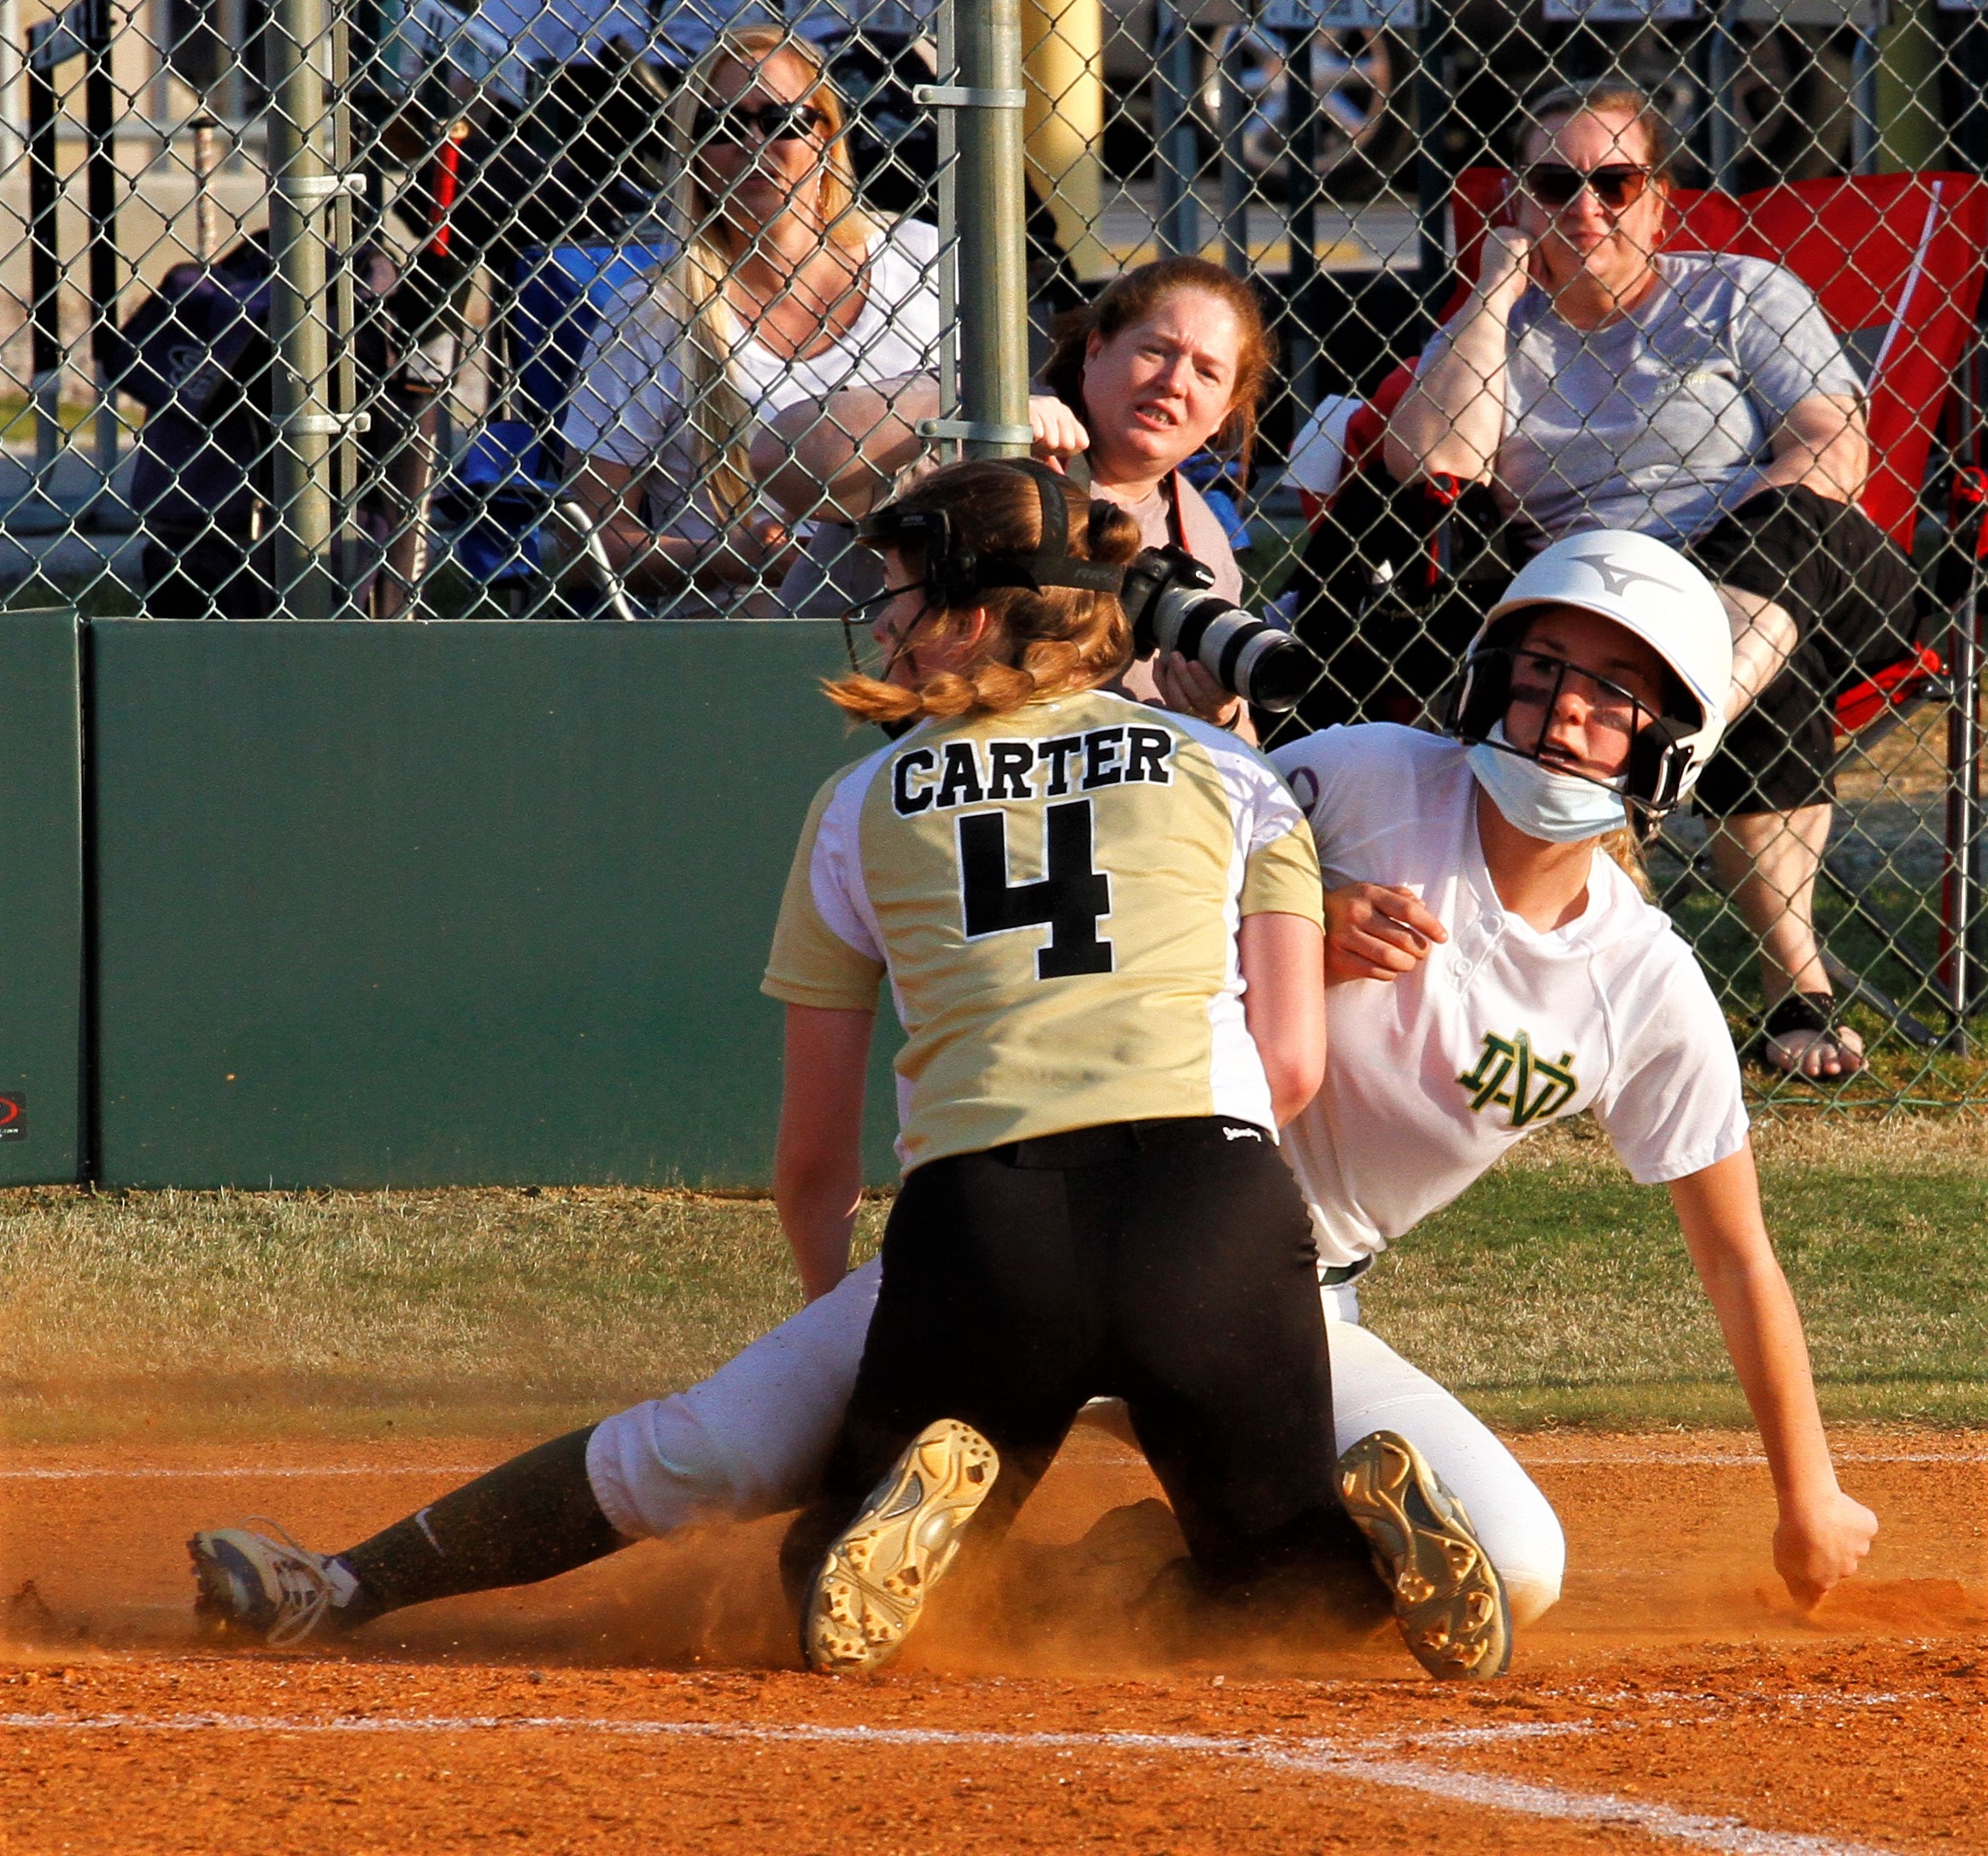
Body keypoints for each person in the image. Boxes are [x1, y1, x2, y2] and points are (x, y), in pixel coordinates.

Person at [188, 458, 1516, 1685]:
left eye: (898, 595)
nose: (881, 623)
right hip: (1209, 1201)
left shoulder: (861, 803)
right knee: (1270, 1583)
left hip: (985, 1215)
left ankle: (829, 1524)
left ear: (978, 613)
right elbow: (1285, 1064)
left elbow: (813, 1153)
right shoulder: (1233, 773)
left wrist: (856, 1317)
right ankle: (1341, 1543)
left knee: (822, 1578)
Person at [1270, 528, 1878, 1619]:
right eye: (1541, 671)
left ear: (1669, 746)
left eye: (1611, 694)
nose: (1561, 713)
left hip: (1291, 1303)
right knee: (851, 1422)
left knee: (1511, 1569)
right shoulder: (1362, 780)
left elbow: (1736, 1257)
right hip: (1104, 1206)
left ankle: (1171, 1552)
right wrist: (1286, 921)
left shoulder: (1640, 980)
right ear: (1490, 681)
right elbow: (1131, 902)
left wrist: (1810, 1494)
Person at [1381, 77, 1920, 1082]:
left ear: (1659, 197)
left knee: (1784, 556)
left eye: (1613, 182)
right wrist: (1496, 288)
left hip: (1770, 553)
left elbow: (1830, 447)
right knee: (1774, 662)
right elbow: (1433, 463)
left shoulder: (1738, 293)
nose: (1584, 207)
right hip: (1598, 607)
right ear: (1519, 203)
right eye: (1553, 184)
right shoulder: (1498, 333)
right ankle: (1791, 985)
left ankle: (1685, 716)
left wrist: (1702, 591)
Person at [750, 256, 1270, 725]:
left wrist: (1218, 718)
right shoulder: (980, 426)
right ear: (1095, 349)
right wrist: (980, 417)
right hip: (836, 739)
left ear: (1224, 413)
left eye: (1207, 373)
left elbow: (1248, 752)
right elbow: (781, 461)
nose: (1175, 382)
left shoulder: (1199, 538)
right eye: (1155, 351)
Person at [558, 28, 941, 603]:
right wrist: (730, 557)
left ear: (827, 137)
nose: (753, 143)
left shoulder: (922, 261)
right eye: (721, 125)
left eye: (782, 119)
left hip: (921, 594)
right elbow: (583, 542)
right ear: (692, 154)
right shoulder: (652, 315)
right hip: (744, 618)